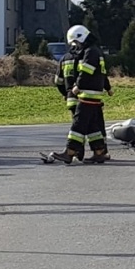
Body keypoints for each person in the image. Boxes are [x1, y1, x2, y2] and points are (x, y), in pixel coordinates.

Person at [50, 25, 113, 164]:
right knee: (91, 126)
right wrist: (108, 88)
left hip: (86, 94)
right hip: (94, 94)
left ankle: (69, 152)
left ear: (81, 37)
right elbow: (102, 74)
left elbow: (85, 72)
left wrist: (77, 86)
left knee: (78, 125)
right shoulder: (95, 51)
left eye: (76, 42)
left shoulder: (90, 52)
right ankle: (99, 152)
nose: (76, 45)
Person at [53, 42, 84, 161]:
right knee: (84, 126)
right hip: (86, 97)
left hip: (71, 98)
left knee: (77, 125)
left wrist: (65, 93)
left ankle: (77, 151)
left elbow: (58, 81)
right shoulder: (85, 58)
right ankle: (79, 151)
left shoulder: (64, 59)